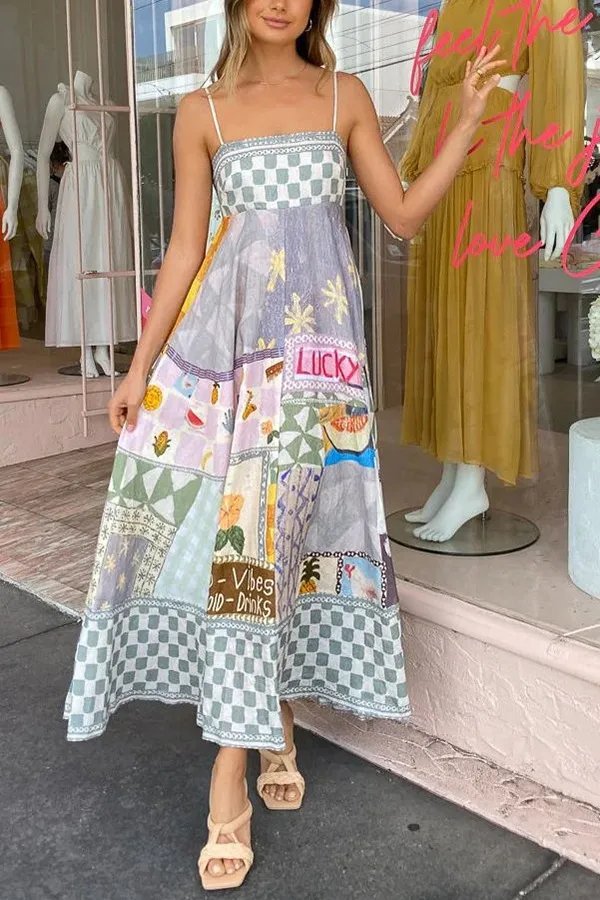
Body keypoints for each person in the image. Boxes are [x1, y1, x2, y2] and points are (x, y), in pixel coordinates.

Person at [63, 0, 503, 890]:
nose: (279, 1)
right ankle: (241, 753)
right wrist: (139, 368)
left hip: (319, 369)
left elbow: (402, 216)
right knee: (244, 548)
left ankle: (255, 727)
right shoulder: (202, 110)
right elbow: (185, 251)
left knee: (278, 546)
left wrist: (462, 126)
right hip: (227, 362)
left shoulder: (344, 96)